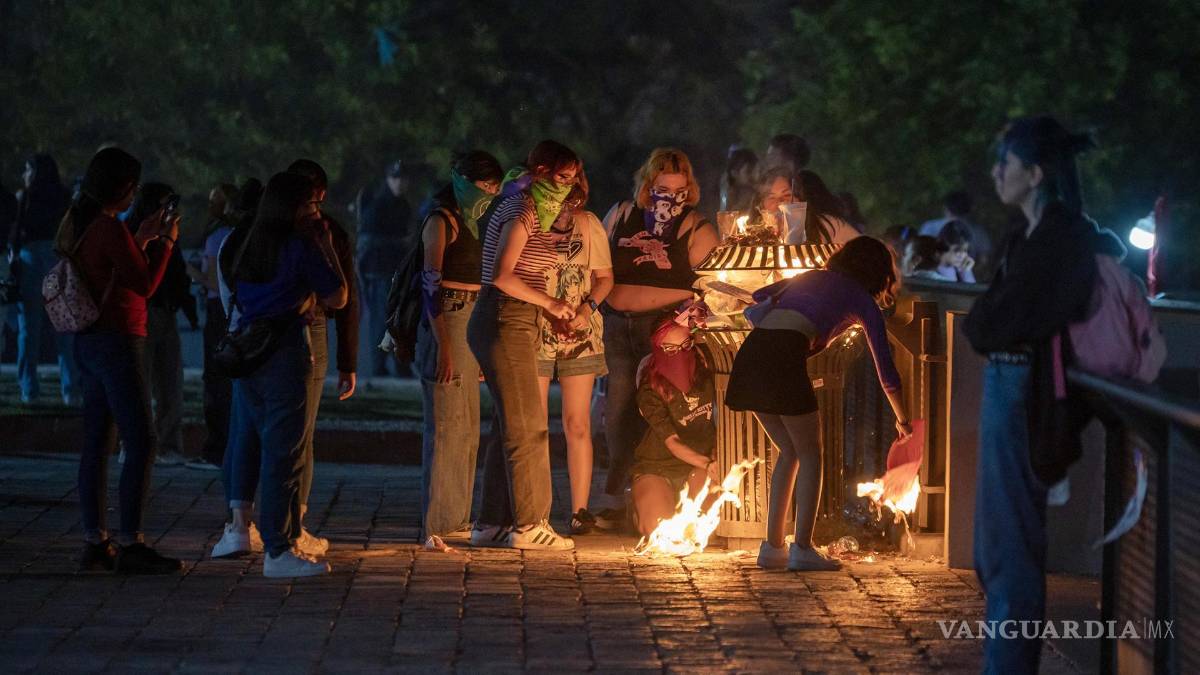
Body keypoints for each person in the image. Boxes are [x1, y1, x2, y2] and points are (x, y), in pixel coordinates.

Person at [964, 116, 1123, 673]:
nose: (995, 172)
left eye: (1004, 162)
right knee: (1000, 548)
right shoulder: (1032, 236)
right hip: (1012, 386)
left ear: (1033, 173)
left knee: (1010, 551)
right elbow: (988, 319)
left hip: (1024, 394)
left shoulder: (1056, 240)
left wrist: (995, 319)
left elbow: (987, 323)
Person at [725, 236, 910, 571]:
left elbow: (760, 296)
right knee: (811, 454)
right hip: (784, 353)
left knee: (791, 451)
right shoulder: (859, 297)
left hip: (752, 353)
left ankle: (772, 548)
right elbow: (886, 371)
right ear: (878, 274)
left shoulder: (810, 277)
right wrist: (903, 420)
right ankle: (803, 548)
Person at [59, 147, 181, 574]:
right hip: (118, 341)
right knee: (141, 439)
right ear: (124, 188)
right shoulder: (109, 229)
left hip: (90, 341)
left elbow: (114, 266)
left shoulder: (84, 224)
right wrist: (165, 243)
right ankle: (132, 543)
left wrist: (143, 237)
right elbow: (143, 283)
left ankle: (96, 540)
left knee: (97, 442)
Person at [224, 171, 347, 577]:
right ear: (295, 207)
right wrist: (326, 246)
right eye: (311, 204)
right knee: (285, 453)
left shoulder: (249, 244)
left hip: (249, 351)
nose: (317, 211)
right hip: (285, 351)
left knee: (261, 441)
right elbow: (338, 295)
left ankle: (280, 538)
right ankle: (278, 550)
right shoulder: (299, 246)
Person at [467, 140, 582, 551]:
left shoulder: (530, 209)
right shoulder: (522, 210)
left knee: (507, 425)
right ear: (541, 171)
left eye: (573, 178)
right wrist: (550, 302)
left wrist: (551, 312)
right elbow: (501, 275)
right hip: (503, 317)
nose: (567, 187)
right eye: (561, 177)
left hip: (514, 317)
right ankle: (531, 524)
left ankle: (491, 523)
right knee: (528, 428)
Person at [600, 147, 718, 527]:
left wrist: (680, 302)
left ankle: (665, 492)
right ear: (647, 186)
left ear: (690, 189)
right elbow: (597, 267)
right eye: (661, 189)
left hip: (664, 334)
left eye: (678, 191)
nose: (669, 199)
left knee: (660, 415)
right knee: (618, 414)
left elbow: (710, 288)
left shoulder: (695, 228)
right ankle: (620, 499)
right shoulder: (621, 215)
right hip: (618, 326)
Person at [415, 150, 502, 546]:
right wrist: (443, 345)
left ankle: (457, 517)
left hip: (470, 319)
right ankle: (439, 522)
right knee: (447, 428)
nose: (488, 195)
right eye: (483, 186)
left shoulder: (475, 222)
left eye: (494, 189)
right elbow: (430, 284)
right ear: (463, 180)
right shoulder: (441, 220)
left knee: (467, 429)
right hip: (447, 319)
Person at [286, 158, 360, 556]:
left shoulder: (268, 228)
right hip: (307, 325)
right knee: (301, 431)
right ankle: (291, 524)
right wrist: (348, 361)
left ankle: (244, 518)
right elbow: (344, 296)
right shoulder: (323, 233)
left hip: (265, 328)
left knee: (269, 428)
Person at [533, 166, 613, 535]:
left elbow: (604, 278)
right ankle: (534, 510)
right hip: (539, 327)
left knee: (577, 423)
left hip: (580, 331)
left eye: (576, 192)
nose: (569, 201)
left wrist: (586, 309)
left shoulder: (589, 223)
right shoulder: (530, 219)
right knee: (533, 425)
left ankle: (580, 509)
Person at [127, 183, 198, 467]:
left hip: (165, 312)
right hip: (144, 312)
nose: (170, 211)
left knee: (171, 383)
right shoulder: (138, 232)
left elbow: (176, 272)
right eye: (165, 205)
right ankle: (134, 443)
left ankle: (168, 444)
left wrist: (187, 307)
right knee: (140, 383)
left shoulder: (170, 233)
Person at [629, 318, 717, 536]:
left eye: (686, 346)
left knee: (702, 531)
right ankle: (637, 508)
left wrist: (716, 459)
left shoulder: (709, 372)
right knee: (659, 532)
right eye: (669, 349)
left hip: (699, 468)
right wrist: (708, 464)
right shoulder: (650, 389)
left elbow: (724, 423)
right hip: (657, 467)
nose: (680, 354)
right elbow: (672, 442)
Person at [11, 154, 79, 405]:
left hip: (32, 260)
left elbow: (17, 234)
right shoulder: (63, 197)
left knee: (29, 329)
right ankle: (71, 389)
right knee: (63, 328)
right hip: (55, 260)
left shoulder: (25, 197)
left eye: (27, 169)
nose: (24, 174)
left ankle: (29, 389)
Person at [195, 183, 240, 470]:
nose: (210, 204)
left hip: (216, 308)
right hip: (233, 310)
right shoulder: (237, 235)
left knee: (214, 380)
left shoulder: (216, 238)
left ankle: (215, 449)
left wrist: (190, 272)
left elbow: (212, 281)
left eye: (215, 200)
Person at [356, 159, 413, 378]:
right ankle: (380, 367)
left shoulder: (402, 205)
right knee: (381, 319)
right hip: (379, 270)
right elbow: (369, 240)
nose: (399, 183)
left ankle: (401, 365)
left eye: (402, 179)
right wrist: (398, 243)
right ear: (388, 179)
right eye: (395, 178)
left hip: (395, 271)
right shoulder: (378, 204)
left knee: (400, 318)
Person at [918, 190, 993, 275]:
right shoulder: (979, 233)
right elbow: (984, 262)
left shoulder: (930, 227)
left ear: (946, 209)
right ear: (970, 210)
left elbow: (920, 254)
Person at [719, 147, 757, 213]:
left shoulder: (755, 193)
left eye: (756, 170)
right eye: (748, 171)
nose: (754, 175)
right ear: (734, 173)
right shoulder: (727, 194)